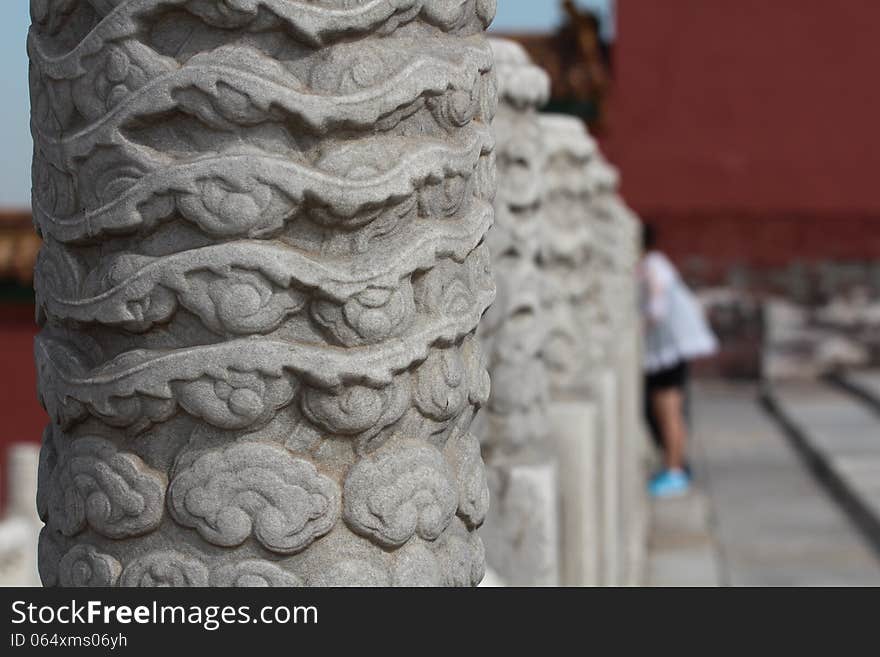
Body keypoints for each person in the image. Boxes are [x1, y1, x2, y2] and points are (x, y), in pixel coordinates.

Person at [639, 224, 718, 498]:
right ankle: (675, 466)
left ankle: (674, 470)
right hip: (671, 348)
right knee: (670, 408)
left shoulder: (652, 265)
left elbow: (656, 308)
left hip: (669, 350)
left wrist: (638, 324)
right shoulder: (656, 263)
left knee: (668, 409)